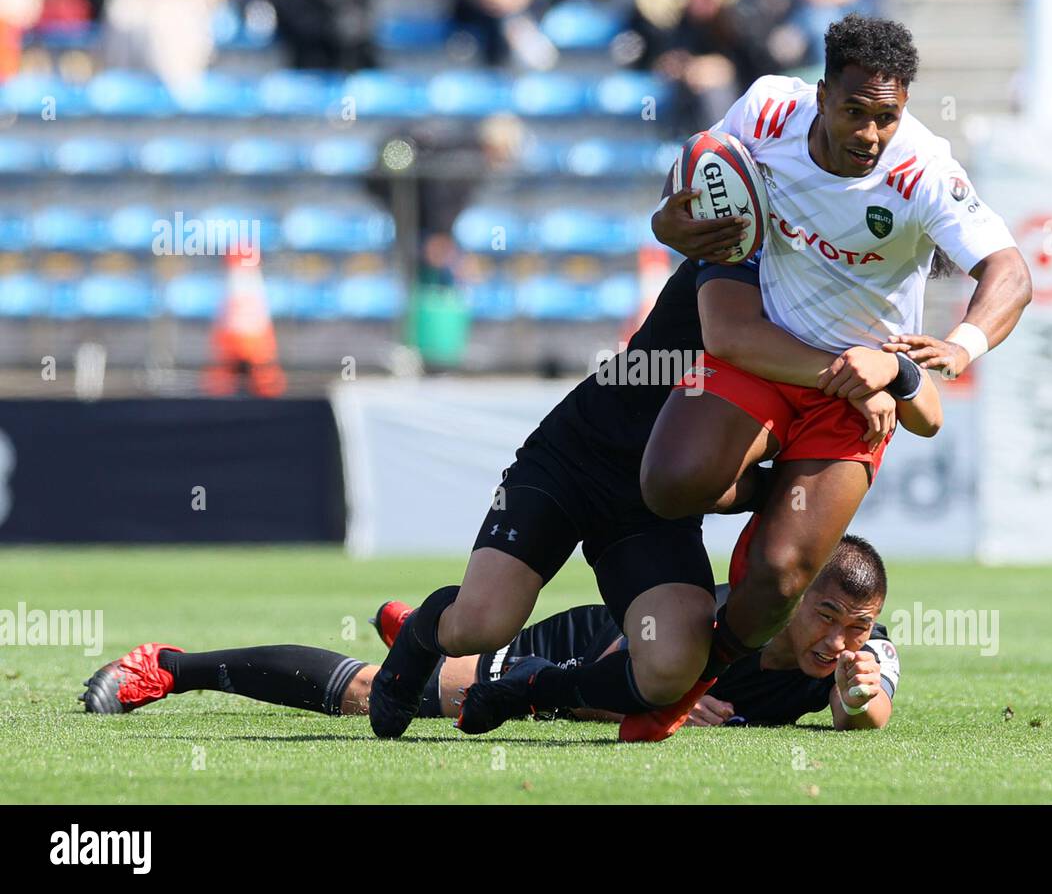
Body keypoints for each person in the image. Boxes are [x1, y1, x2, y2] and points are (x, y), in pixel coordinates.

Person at [627, 14, 1031, 739]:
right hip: (769, 352)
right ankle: (779, 488)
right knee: (668, 484)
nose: (870, 134)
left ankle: (687, 686)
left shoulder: (925, 172)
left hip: (857, 386)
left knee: (781, 579)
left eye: (887, 117)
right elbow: (698, 174)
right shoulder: (767, 109)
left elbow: (1010, 272)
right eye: (855, 111)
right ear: (821, 96)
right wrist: (670, 223)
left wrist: (961, 347)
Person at [368, 245, 940, 743]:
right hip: (578, 456)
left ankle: (531, 688)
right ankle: (421, 635)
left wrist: (892, 371)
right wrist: (852, 375)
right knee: (481, 626)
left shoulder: (850, 326)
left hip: (654, 506)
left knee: (670, 667)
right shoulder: (737, 261)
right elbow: (731, 331)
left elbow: (928, 412)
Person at [81, 536, 898, 732]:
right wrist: (666, 701)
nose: (839, 639)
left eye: (853, 625)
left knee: (438, 670)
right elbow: (621, 669)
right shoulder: (727, 615)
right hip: (587, 648)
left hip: (585, 666)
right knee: (377, 693)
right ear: (792, 597)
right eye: (825, 616)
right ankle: (171, 667)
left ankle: (428, 640)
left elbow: (870, 708)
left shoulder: (864, 651)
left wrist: (858, 702)